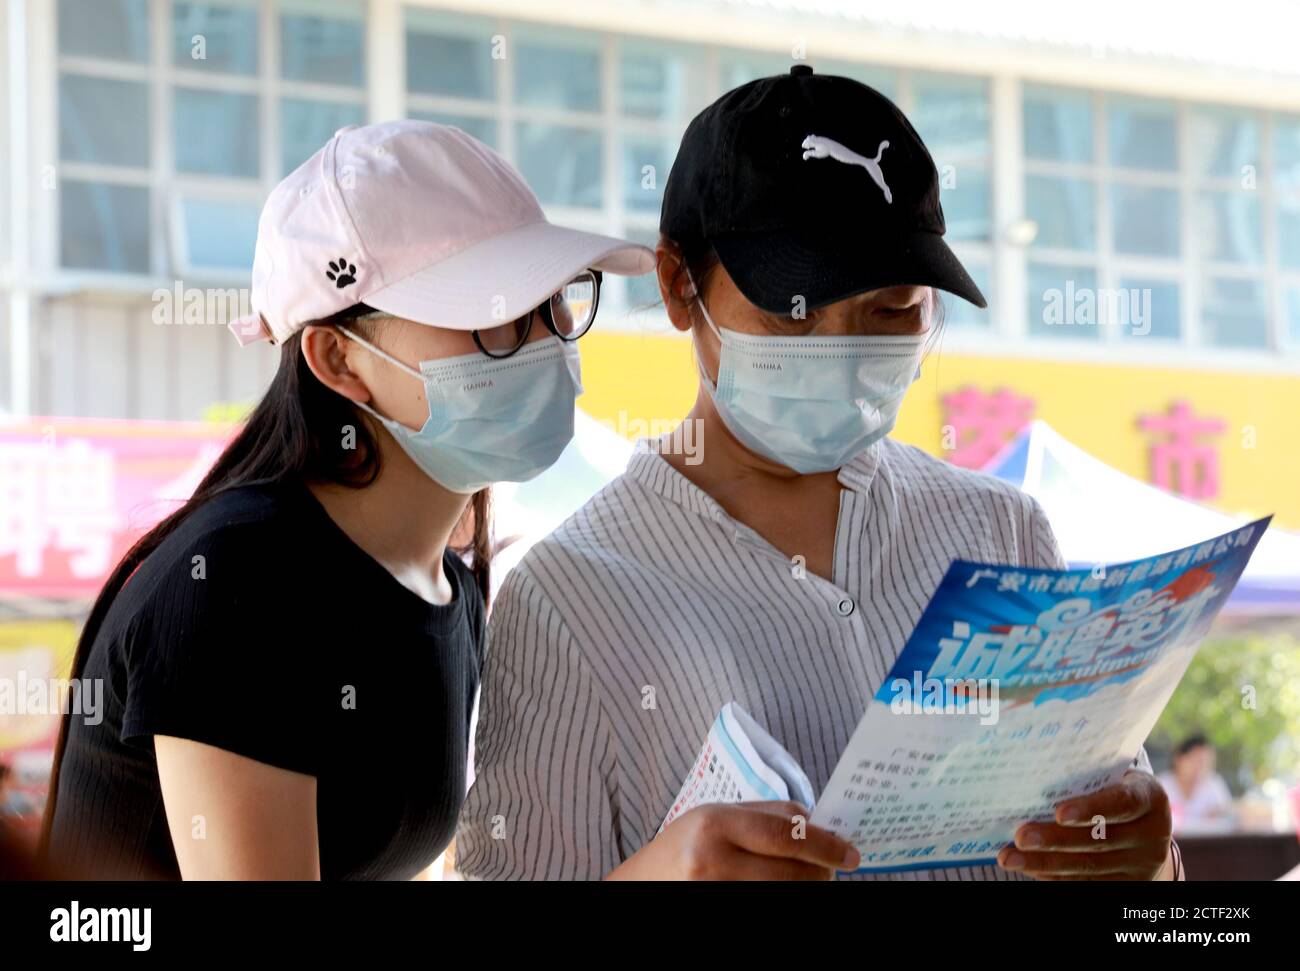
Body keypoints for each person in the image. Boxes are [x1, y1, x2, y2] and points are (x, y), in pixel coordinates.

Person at [457, 67, 1180, 881]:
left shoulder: (1001, 534)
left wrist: (1146, 866)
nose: (837, 351)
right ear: (675, 285)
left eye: (890, 311)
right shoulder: (569, 602)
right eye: (787, 312)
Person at [39, 121, 653, 880]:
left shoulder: (446, 585)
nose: (549, 342)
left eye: (555, 301)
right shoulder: (242, 584)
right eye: (492, 321)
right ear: (339, 359)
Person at [1158, 734, 1235, 833]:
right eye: (1197, 760)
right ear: (1178, 759)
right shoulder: (1161, 785)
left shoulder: (1213, 784)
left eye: (1206, 762)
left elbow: (1225, 816)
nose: (1201, 767)